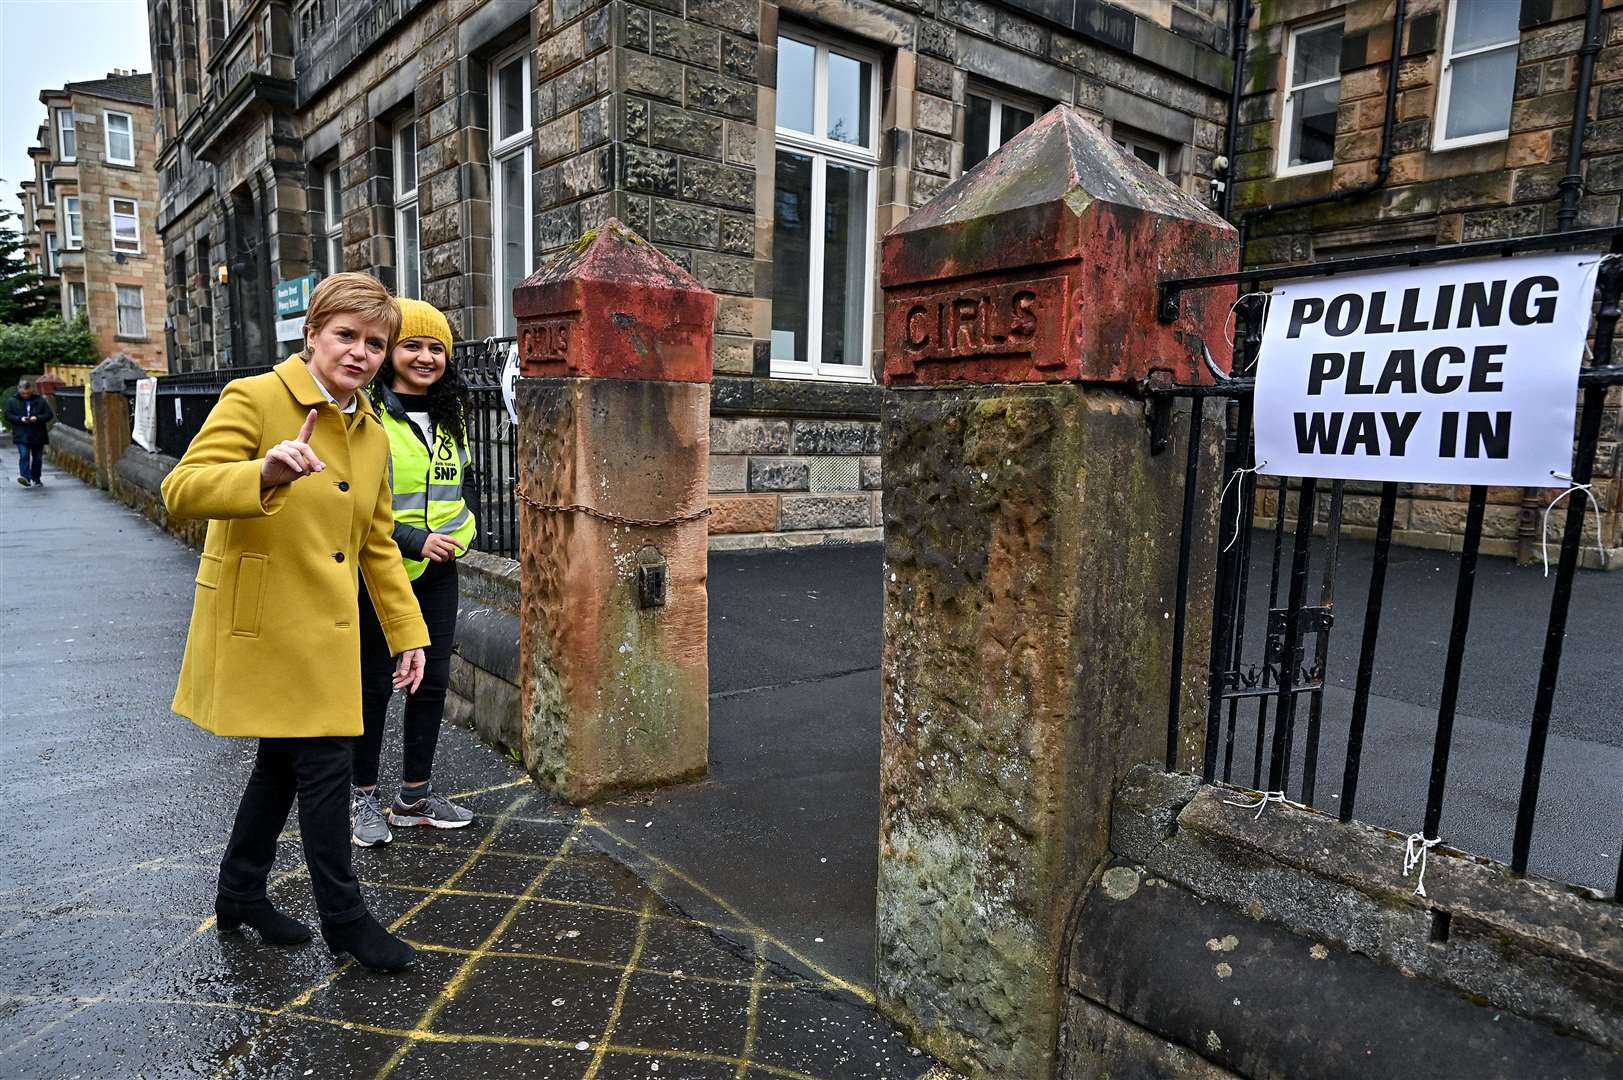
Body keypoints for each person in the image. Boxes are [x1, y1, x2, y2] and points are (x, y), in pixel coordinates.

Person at [161, 273, 430, 972]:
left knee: (281, 767)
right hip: (266, 624)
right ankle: (346, 920)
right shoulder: (254, 397)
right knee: (324, 766)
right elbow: (181, 490)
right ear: (311, 335)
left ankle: (240, 893)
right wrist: (264, 471)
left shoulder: (371, 428)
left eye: (376, 342)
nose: (360, 352)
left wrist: (407, 631)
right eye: (346, 335)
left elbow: (375, 540)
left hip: (329, 635)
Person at [350, 298, 478, 847]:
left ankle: (414, 797)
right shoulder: (367, 413)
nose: (426, 357)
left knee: (431, 685)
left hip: (438, 571)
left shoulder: (452, 415)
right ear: (390, 352)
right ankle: (362, 798)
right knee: (375, 686)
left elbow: (462, 488)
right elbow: (356, 503)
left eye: (436, 348)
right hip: (382, 571)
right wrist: (414, 539)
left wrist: (463, 536)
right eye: (412, 346)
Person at [6, 377, 53, 487]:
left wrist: (37, 418)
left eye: (27, 393)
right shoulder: (12, 401)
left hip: (37, 434)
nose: (25, 395)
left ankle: (36, 478)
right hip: (21, 434)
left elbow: (49, 415)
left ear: (31, 390)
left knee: (37, 458)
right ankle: (25, 478)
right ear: (18, 389)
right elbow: (8, 415)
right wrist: (20, 419)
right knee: (24, 455)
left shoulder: (40, 400)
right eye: (23, 393)